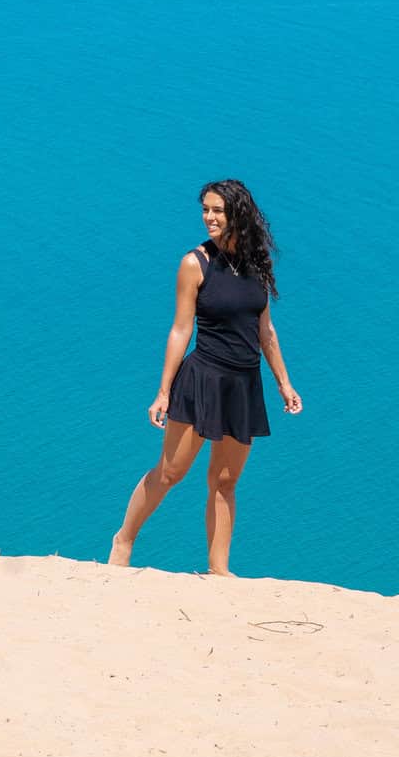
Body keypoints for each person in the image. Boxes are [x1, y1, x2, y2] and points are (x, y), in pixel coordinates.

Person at [108, 179, 302, 575]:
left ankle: (219, 572)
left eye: (217, 210)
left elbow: (265, 330)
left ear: (237, 215)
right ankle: (123, 540)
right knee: (171, 471)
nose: (209, 218)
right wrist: (163, 391)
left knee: (226, 480)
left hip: (244, 384)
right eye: (205, 210)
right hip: (203, 379)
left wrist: (284, 382)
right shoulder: (195, 263)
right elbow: (181, 330)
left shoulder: (257, 263)